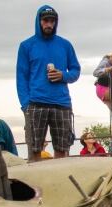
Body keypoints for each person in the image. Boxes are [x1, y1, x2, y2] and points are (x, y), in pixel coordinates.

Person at [17, 5, 81, 162]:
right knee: (34, 151)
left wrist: (63, 75)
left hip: (62, 103)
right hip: (36, 103)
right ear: (39, 21)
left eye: (52, 21)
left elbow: (75, 70)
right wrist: (26, 105)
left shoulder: (65, 45)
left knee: (62, 151)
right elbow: (21, 78)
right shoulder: (26, 46)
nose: (49, 24)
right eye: (46, 20)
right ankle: (34, 187)